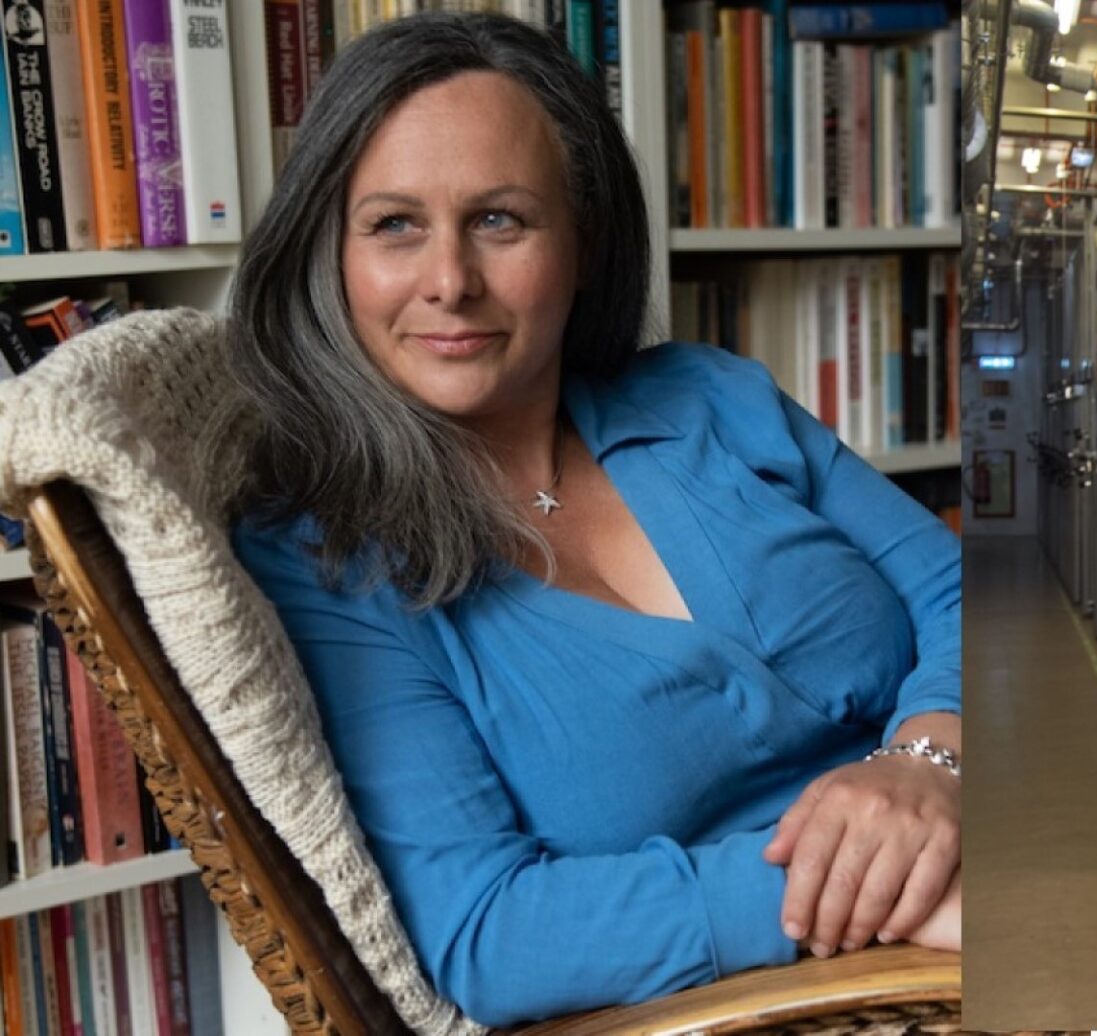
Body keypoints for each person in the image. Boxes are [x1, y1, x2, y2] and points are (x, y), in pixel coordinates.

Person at [219, 13, 959, 1028]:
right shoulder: (327, 559)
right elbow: (489, 932)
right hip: (825, 993)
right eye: (394, 224)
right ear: (327, 253)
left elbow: (958, 588)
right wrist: (879, 890)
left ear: (584, 239)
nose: (448, 281)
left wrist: (930, 758)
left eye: (500, 220)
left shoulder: (707, 394)